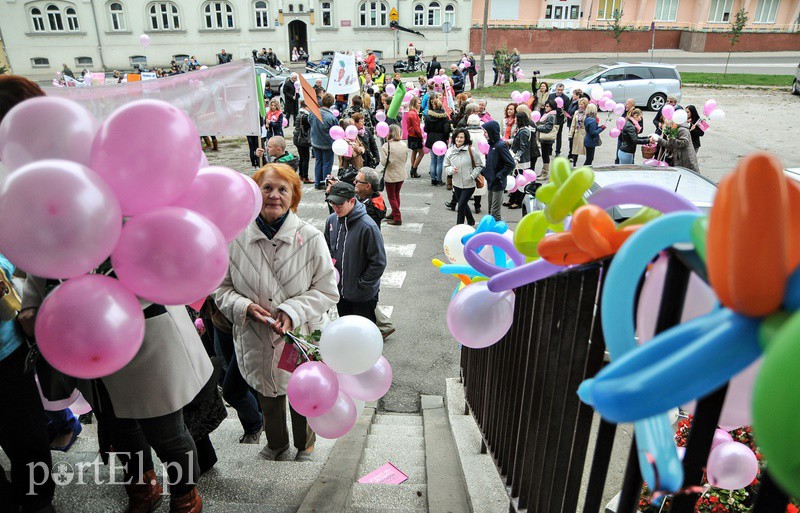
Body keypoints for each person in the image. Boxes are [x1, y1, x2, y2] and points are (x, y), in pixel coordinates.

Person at [215, 164, 339, 463]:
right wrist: (243, 307)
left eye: (283, 189)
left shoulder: (310, 238)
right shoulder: (235, 237)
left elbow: (327, 291)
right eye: (267, 188)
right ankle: (276, 443)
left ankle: (305, 445)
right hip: (255, 336)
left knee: (303, 393)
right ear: (255, 193)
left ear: (293, 196)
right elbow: (220, 288)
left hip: (300, 335)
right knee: (268, 394)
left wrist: (291, 311)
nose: (274, 195)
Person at [324, 182, 387, 322]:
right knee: (347, 329)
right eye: (332, 203)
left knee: (364, 336)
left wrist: (361, 284)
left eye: (339, 204)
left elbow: (378, 263)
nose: (335, 207)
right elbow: (327, 249)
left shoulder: (368, 227)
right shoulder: (331, 220)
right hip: (340, 293)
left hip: (362, 297)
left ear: (352, 201)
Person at [445, 128, 484, 226]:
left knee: (461, 205)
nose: (459, 139)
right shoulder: (450, 151)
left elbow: (479, 165)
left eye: (461, 137)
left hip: (469, 184)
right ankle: (471, 220)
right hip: (457, 183)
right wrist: (451, 170)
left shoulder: (472, 150)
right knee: (463, 204)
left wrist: (472, 176)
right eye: (457, 137)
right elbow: (446, 166)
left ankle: (459, 227)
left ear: (465, 139)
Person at [482, 120, 515, 222]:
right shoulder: (492, 145)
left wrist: (499, 176)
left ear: (492, 132)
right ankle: (491, 233)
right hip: (491, 182)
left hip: (498, 183)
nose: (484, 134)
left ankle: (497, 235)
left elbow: (511, 163)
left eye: (486, 132)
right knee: (490, 211)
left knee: (495, 213)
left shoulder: (500, 146)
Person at [379, 124, 409, 226]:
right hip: (401, 172)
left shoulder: (386, 146)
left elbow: (383, 162)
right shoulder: (403, 144)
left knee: (391, 196)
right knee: (396, 195)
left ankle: (397, 216)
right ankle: (394, 213)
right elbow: (405, 158)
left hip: (390, 174)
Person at [509, 110, 539, 209]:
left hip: (522, 160)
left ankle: (518, 201)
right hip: (518, 158)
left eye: (516, 118)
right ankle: (512, 199)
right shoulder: (521, 130)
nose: (515, 120)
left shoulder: (524, 131)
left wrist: (517, 157)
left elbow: (523, 146)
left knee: (520, 180)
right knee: (515, 178)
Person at [309, 93, 339, 189]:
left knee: (318, 162)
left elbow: (309, 121)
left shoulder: (314, 113)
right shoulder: (331, 117)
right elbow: (336, 130)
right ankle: (326, 182)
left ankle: (317, 182)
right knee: (327, 164)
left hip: (315, 141)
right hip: (327, 143)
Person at [424, 96, 451, 186]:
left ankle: (433, 179)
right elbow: (447, 130)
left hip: (431, 139)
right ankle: (439, 180)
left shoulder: (428, 117)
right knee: (440, 161)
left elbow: (426, 129)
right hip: (441, 140)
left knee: (433, 160)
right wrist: (446, 138)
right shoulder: (445, 117)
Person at [465, 114, 486, 214]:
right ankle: (477, 205)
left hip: (467, 160)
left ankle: (459, 202)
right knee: (479, 183)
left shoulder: (465, 133)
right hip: (480, 161)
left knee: (465, 183)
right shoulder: (483, 133)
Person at [546, 83, 571, 157]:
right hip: (551, 117)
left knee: (558, 135)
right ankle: (549, 150)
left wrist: (562, 110)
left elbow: (567, 110)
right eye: (558, 90)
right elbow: (547, 105)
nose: (559, 91)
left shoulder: (566, 98)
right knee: (550, 134)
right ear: (556, 89)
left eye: (561, 90)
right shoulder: (551, 96)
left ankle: (558, 151)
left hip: (560, 119)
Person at [536, 100, 558, 181]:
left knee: (545, 155)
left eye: (548, 106)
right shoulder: (547, 114)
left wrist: (537, 128)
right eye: (546, 106)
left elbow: (548, 128)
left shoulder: (551, 115)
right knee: (544, 155)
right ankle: (543, 171)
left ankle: (545, 172)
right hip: (544, 138)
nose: (546, 107)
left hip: (547, 138)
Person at [293, 100, 314, 183]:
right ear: (305, 107)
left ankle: (301, 175)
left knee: (302, 158)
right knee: (305, 159)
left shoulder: (299, 115)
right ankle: (305, 177)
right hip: (302, 139)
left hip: (297, 138)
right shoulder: (305, 116)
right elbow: (311, 124)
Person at [405, 97, 424, 178]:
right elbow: (416, 127)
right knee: (421, 153)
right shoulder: (413, 114)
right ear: (414, 104)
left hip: (411, 135)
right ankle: (414, 169)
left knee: (414, 152)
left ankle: (413, 169)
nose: (420, 105)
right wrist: (421, 136)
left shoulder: (410, 112)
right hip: (415, 135)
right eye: (418, 103)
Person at [614, 98, 637, 164]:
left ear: (632, 105)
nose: (625, 105)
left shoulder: (635, 114)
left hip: (630, 140)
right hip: (621, 137)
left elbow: (640, 129)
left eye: (627, 104)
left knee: (629, 158)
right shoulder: (624, 112)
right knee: (618, 155)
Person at [568, 98, 589, 166]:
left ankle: (587, 164)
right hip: (577, 132)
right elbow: (573, 124)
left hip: (584, 132)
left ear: (585, 105)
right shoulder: (576, 112)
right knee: (575, 150)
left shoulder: (588, 112)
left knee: (586, 149)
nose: (580, 106)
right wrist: (570, 134)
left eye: (582, 104)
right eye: (579, 104)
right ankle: (574, 164)